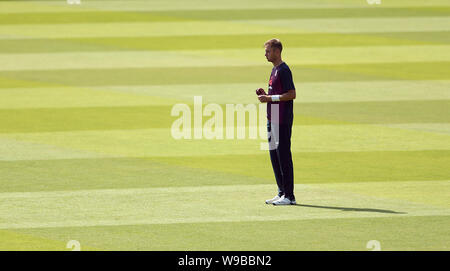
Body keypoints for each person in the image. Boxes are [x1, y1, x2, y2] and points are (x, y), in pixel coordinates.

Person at [256, 38, 296, 205]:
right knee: (274, 156)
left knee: (283, 156)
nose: (265, 54)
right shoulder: (274, 70)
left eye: (268, 51)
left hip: (282, 120)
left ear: (277, 52)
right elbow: (277, 93)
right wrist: (266, 95)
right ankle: (281, 192)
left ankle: (289, 196)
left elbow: (292, 94)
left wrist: (269, 97)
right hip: (272, 118)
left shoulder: (284, 70)